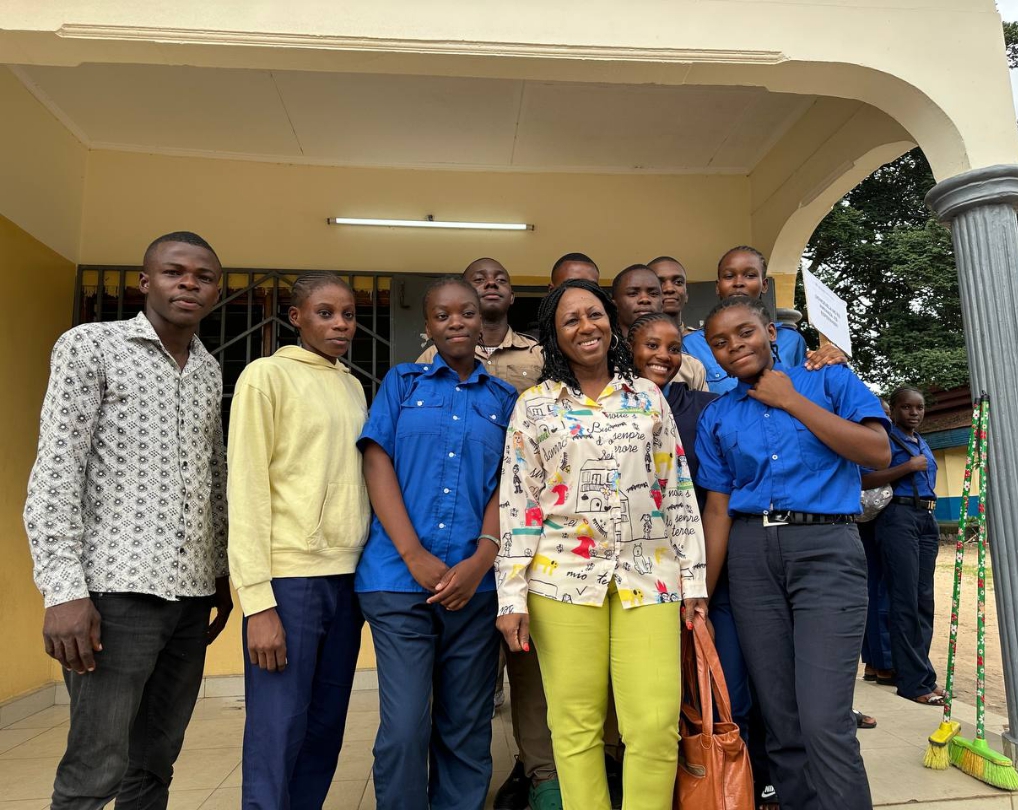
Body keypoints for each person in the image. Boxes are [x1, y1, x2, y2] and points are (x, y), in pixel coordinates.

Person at [23, 231, 233, 810]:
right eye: (174, 272)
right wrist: (63, 591)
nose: (189, 283)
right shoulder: (90, 346)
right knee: (96, 766)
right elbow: (56, 469)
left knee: (155, 762)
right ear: (146, 282)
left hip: (189, 600)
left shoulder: (209, 370)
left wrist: (219, 574)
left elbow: (212, 481)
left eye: (203, 276)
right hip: (115, 596)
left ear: (216, 291)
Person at [496, 279, 708, 810]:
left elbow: (677, 490)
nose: (585, 326)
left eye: (593, 314)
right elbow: (519, 506)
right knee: (575, 728)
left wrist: (694, 579)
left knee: (655, 726)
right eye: (570, 320)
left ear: (609, 320)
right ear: (554, 335)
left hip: (650, 576)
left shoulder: (648, 396)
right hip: (560, 578)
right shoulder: (533, 407)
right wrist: (511, 596)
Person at [695, 296, 890, 810]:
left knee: (825, 719)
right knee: (781, 719)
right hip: (751, 557)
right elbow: (717, 511)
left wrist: (791, 401)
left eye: (745, 332)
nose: (735, 346)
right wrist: (701, 596)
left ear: (771, 333)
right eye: (721, 342)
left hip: (826, 547)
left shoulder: (828, 381)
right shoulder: (719, 415)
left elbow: (877, 452)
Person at [356, 277, 517, 810]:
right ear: (427, 326)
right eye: (442, 315)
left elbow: (508, 484)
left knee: (466, 726)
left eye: (466, 313)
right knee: (404, 728)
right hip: (398, 582)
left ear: (481, 322)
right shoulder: (401, 383)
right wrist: (413, 555)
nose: (455, 323)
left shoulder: (505, 399)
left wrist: (483, 558)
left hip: (474, 587)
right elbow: (376, 461)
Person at [417, 259, 558, 810]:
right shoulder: (429, 360)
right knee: (466, 680)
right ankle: (457, 786)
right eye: (479, 279)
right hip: (458, 538)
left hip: (530, 532)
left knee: (529, 666)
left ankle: (540, 775)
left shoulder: (541, 356)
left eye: (501, 277)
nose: (492, 283)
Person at [227, 272, 372, 809]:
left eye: (349, 314)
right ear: (296, 318)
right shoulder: (265, 377)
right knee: (277, 728)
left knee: (325, 723)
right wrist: (258, 603)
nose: (341, 324)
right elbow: (246, 488)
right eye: (325, 313)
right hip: (289, 580)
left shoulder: (352, 385)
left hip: (346, 577)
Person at [862, 387, 943, 706]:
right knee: (905, 600)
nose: (914, 413)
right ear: (892, 410)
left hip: (927, 518)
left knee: (924, 601)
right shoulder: (885, 440)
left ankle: (925, 676)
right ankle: (910, 681)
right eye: (907, 407)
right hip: (898, 518)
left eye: (920, 408)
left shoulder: (920, 441)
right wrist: (907, 468)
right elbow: (864, 479)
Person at [683, 246, 843, 394]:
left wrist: (828, 360)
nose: (738, 283)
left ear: (764, 284)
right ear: (718, 286)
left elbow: (805, 388)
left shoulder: (792, 340)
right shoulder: (691, 344)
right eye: (729, 276)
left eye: (750, 275)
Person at [860, 399, 896, 688]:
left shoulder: (902, 437)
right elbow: (864, 478)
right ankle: (882, 662)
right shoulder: (859, 439)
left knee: (879, 592)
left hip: (883, 521)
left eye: (885, 414)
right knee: (876, 594)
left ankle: (875, 662)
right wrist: (908, 467)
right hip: (865, 523)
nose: (883, 419)